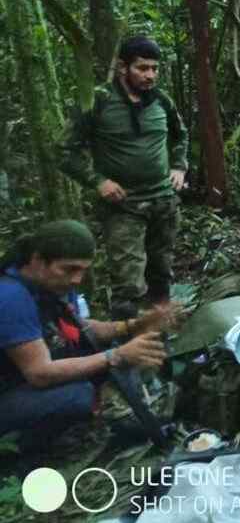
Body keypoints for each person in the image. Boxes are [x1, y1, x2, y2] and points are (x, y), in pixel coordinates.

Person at [0, 221, 173, 453]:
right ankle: (29, 451)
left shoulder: (52, 283)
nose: (77, 279)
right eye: (70, 269)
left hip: (23, 374)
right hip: (12, 389)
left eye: (83, 270)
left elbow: (80, 328)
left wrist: (132, 325)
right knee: (79, 395)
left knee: (111, 350)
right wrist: (115, 356)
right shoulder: (10, 297)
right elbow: (39, 373)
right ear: (38, 260)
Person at [59, 35, 188, 319]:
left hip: (163, 202)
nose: (150, 75)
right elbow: (65, 151)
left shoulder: (161, 101)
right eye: (142, 68)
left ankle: (161, 339)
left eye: (154, 68)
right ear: (122, 68)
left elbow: (181, 136)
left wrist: (179, 166)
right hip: (124, 206)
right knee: (128, 286)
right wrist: (98, 181)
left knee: (162, 274)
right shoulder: (98, 101)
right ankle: (129, 350)